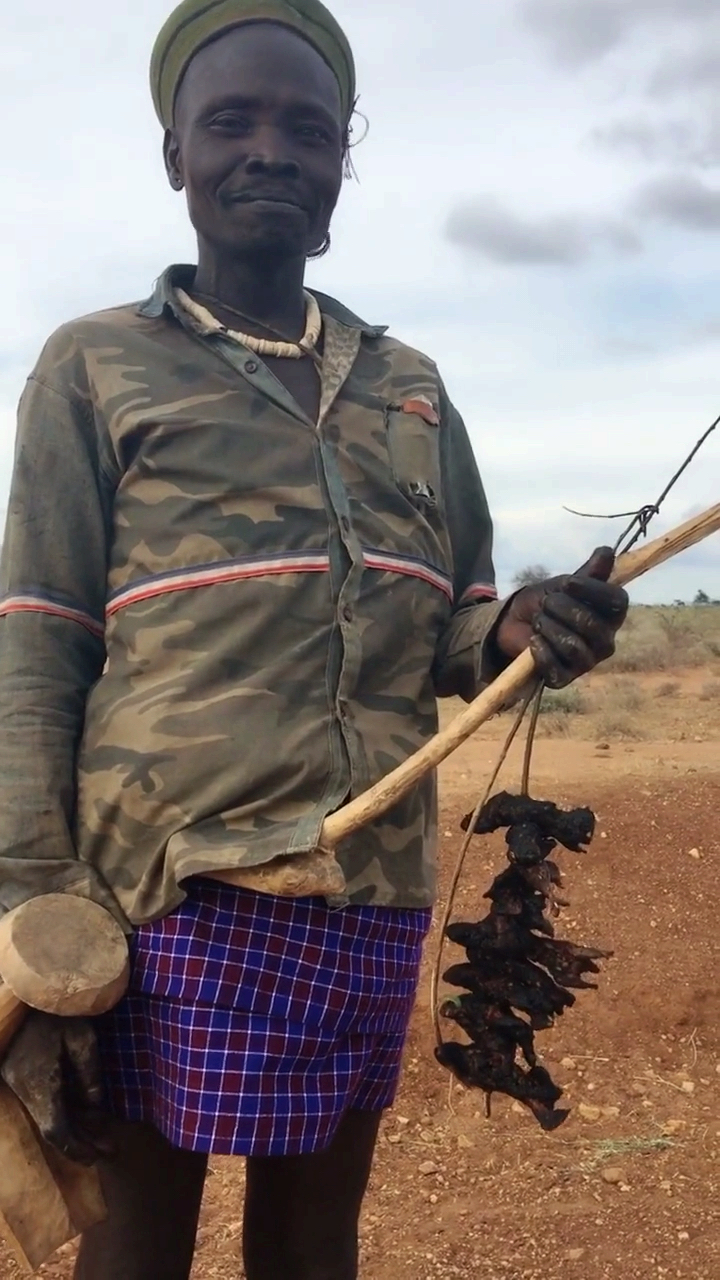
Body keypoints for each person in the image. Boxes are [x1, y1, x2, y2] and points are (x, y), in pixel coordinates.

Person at [0, 2, 628, 1277]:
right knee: (133, 1245)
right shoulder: (96, 366)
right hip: (162, 890)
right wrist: (38, 891)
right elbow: (40, 637)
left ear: (345, 154)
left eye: (306, 125)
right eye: (229, 121)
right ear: (175, 152)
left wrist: (521, 623)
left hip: (368, 882)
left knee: (313, 1240)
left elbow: (455, 616)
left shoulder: (412, 387)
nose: (269, 150)